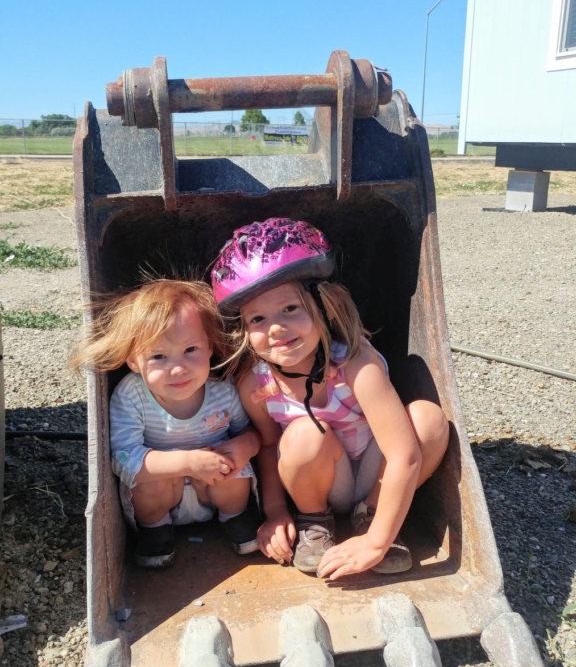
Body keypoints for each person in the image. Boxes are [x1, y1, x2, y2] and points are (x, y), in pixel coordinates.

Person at [211, 218, 449, 579]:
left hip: (377, 475)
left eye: (290, 308)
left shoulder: (355, 362)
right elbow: (270, 445)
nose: (275, 328)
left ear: (323, 306)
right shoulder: (254, 384)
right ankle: (315, 523)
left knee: (428, 420)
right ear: (244, 330)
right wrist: (275, 512)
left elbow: (404, 454)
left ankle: (371, 520)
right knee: (303, 434)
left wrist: (377, 542)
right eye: (257, 318)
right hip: (323, 482)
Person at [72, 279, 261, 569]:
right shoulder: (132, 394)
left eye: (191, 350)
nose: (178, 368)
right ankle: (156, 530)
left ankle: (234, 517)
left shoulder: (223, 391)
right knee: (147, 482)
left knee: (235, 471)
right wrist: (186, 463)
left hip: (212, 488)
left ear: (209, 346)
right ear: (134, 361)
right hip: (163, 497)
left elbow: (249, 431)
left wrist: (242, 447)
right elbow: (122, 457)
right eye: (159, 356)